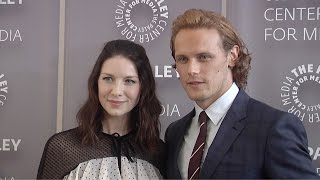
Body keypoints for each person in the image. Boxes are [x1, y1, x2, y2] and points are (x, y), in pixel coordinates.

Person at [165, 9, 319, 179]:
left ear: (232, 56)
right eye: (183, 59)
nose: (191, 70)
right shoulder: (175, 133)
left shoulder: (273, 128)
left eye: (203, 57)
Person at [37, 39, 165, 179]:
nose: (116, 91)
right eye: (108, 79)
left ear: (143, 88)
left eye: (129, 81)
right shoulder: (62, 147)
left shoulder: (158, 152)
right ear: (96, 82)